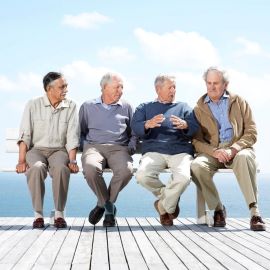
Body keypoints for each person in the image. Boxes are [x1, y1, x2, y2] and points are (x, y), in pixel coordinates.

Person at [191, 66, 266, 231]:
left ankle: (255, 214)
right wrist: (214, 152)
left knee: (244, 157)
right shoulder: (198, 108)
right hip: (213, 151)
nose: (212, 87)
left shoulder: (239, 102)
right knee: (196, 166)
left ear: (225, 84)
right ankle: (218, 210)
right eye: (209, 83)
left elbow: (251, 132)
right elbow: (196, 141)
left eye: (216, 83)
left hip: (238, 149)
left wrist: (233, 148)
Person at [131, 75, 199, 226]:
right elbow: (135, 126)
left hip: (180, 151)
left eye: (175, 87)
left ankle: (162, 206)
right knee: (142, 176)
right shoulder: (145, 107)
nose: (173, 90)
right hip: (154, 151)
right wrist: (147, 124)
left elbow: (195, 127)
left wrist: (186, 125)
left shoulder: (184, 107)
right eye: (170, 87)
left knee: (183, 179)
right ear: (158, 89)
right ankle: (170, 199)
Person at [16, 72, 80, 229]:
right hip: (36, 149)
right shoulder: (33, 104)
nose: (66, 89)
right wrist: (21, 161)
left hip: (59, 150)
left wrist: (72, 161)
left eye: (66, 86)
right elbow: (25, 134)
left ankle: (59, 214)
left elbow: (72, 135)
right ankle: (38, 215)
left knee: (61, 169)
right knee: (36, 168)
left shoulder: (71, 105)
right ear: (49, 89)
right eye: (62, 87)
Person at [79, 72, 137, 227]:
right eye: (116, 87)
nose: (120, 90)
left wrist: (131, 145)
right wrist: (85, 146)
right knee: (90, 169)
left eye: (122, 87)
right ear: (104, 87)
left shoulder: (127, 106)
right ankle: (110, 209)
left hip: (119, 148)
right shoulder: (87, 106)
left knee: (127, 171)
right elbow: (81, 131)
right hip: (93, 147)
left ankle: (103, 204)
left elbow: (134, 132)